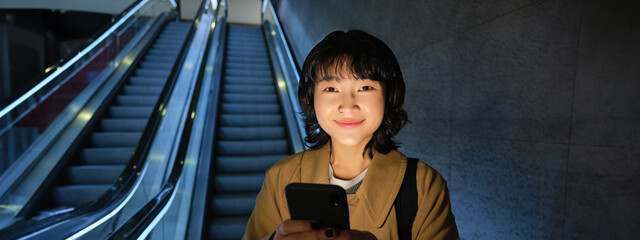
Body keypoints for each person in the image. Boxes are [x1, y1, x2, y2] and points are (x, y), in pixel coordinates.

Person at [243, 30, 459, 240]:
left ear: (389, 96)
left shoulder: (424, 185)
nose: (348, 106)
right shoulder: (281, 177)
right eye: (331, 89)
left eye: (365, 87)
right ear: (311, 98)